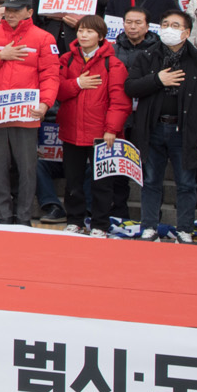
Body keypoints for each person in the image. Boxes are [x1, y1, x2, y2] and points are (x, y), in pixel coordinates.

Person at [124, 8, 197, 242]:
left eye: (175, 26)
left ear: (186, 32)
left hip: (186, 131)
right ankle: (149, 227)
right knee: (150, 181)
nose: (168, 29)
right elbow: (131, 87)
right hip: (152, 128)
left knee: (186, 183)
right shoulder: (147, 56)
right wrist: (158, 80)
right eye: (165, 24)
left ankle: (184, 230)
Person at [0, 0, 58, 226]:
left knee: (27, 167)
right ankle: (4, 215)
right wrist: (1, 56)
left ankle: (24, 216)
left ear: (29, 12)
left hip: (26, 111)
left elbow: (50, 75)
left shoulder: (43, 38)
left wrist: (45, 103)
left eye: (16, 10)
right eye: (8, 9)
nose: (9, 14)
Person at [53, 14, 129, 236]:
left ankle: (100, 224)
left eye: (89, 31)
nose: (83, 35)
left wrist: (111, 129)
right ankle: (74, 220)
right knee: (73, 181)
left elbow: (119, 101)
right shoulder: (66, 59)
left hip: (101, 134)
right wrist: (78, 83)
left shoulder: (113, 64)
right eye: (80, 31)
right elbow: (57, 90)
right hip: (72, 130)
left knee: (102, 183)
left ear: (101, 36)